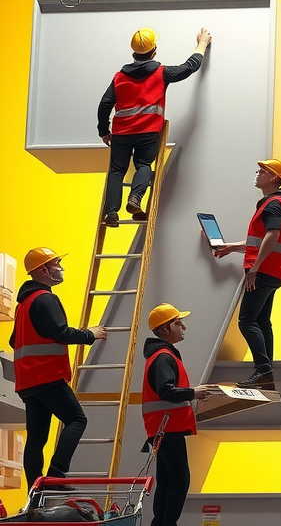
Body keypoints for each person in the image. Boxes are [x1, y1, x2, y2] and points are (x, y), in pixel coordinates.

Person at [9, 248, 107, 487]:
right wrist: (89, 334)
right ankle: (55, 476)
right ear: (44, 270)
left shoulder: (24, 304)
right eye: (57, 263)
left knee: (37, 438)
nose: (60, 268)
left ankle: (35, 490)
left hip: (28, 381)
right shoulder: (44, 298)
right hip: (47, 375)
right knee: (77, 420)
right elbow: (60, 332)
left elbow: (14, 340)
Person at [97, 26, 211, 227]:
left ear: (133, 53)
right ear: (154, 50)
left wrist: (104, 131)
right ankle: (135, 198)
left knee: (117, 171)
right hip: (148, 132)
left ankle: (112, 213)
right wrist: (202, 44)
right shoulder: (161, 73)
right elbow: (190, 66)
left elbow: (105, 103)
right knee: (143, 165)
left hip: (121, 134)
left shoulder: (119, 77)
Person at [141, 303, 219, 526]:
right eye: (178, 322)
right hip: (167, 428)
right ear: (165, 329)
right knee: (180, 479)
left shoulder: (160, 355)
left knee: (167, 481)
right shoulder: (164, 357)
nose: (183, 326)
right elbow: (166, 390)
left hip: (161, 428)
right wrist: (193, 392)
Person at [211, 159, 281, 389]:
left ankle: (264, 371)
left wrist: (254, 268)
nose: (257, 173)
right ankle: (267, 373)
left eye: (263, 171)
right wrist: (232, 248)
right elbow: (258, 241)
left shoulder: (273, 204)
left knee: (247, 321)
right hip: (273, 272)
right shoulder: (274, 203)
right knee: (262, 321)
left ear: (274, 178)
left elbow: (272, 235)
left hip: (263, 272)